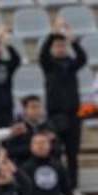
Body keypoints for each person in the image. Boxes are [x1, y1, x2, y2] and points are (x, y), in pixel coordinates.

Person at [40, 21, 88, 183]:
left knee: (72, 152)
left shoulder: (71, 64)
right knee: (54, 151)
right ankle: (58, 184)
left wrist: (72, 38)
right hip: (55, 115)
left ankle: (73, 185)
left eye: (63, 46)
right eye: (57, 46)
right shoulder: (49, 64)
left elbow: (82, 58)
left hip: (73, 114)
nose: (60, 49)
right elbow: (43, 54)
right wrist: (52, 33)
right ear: (53, 47)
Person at [1, 94, 58, 165]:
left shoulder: (48, 125)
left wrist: (47, 146)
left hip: (46, 162)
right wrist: (32, 148)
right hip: (24, 163)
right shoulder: (17, 126)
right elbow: (11, 150)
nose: (36, 110)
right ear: (25, 109)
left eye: (38, 107)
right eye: (33, 107)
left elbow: (58, 148)